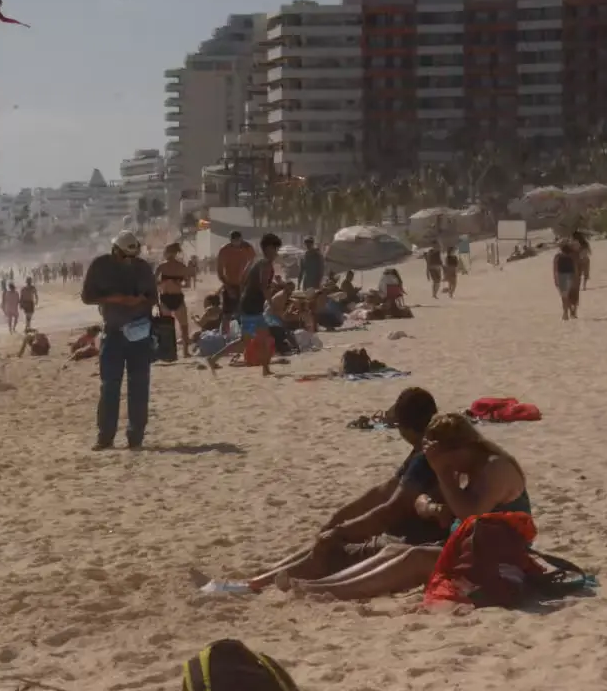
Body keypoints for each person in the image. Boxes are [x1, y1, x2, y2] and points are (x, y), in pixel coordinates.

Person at [219, 388, 445, 591]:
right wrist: (338, 520)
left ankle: (252, 585)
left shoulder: (424, 459)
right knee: (329, 538)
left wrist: (341, 531)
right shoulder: (426, 451)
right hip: (406, 537)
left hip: (406, 542)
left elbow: (389, 509)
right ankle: (268, 572)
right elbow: (381, 492)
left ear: (405, 428)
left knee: (330, 550)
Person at [286, 412, 530, 600]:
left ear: (458, 450)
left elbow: (468, 514)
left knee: (414, 557)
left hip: (499, 559)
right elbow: (433, 505)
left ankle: (332, 592)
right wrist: (433, 505)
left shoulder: (495, 468)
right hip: (472, 550)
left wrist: (442, 473)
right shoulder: (469, 469)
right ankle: (327, 585)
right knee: (394, 551)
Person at [81, 230, 157, 451]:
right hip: (113, 333)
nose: (129, 261)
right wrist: (114, 298)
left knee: (139, 386)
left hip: (139, 334)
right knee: (110, 387)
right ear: (115, 251)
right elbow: (87, 296)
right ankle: (105, 437)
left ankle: (136, 437)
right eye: (125, 256)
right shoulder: (100, 266)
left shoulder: (142, 268)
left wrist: (139, 301)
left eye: (132, 257)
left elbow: (153, 297)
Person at [207, 233, 281, 377]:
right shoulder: (265, 264)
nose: (276, 253)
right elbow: (264, 286)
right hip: (253, 306)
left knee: (245, 341)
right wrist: (272, 304)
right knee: (264, 337)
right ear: (269, 248)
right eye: (275, 249)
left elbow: (242, 279)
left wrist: (245, 294)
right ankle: (265, 370)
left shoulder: (254, 260)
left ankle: (214, 358)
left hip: (247, 304)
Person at [155, 242, 193, 358]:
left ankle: (173, 351)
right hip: (173, 297)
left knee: (173, 326)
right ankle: (183, 351)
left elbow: (154, 282)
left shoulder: (164, 266)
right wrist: (175, 283)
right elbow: (187, 284)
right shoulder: (177, 266)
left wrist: (166, 283)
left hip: (168, 297)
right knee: (182, 326)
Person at [216, 231, 256, 334]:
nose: (237, 243)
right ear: (231, 240)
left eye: (239, 240)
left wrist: (246, 277)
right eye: (235, 241)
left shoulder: (247, 248)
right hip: (230, 284)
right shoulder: (224, 250)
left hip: (244, 285)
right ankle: (225, 338)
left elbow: (252, 262)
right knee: (227, 314)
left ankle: (246, 337)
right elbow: (220, 272)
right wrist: (228, 288)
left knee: (246, 313)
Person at [553, 241, 578, 321]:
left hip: (561, 276)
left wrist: (555, 279)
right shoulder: (571, 256)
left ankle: (565, 313)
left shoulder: (557, 256)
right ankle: (571, 312)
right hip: (570, 275)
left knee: (564, 297)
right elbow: (575, 267)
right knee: (570, 296)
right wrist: (576, 278)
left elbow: (555, 268)